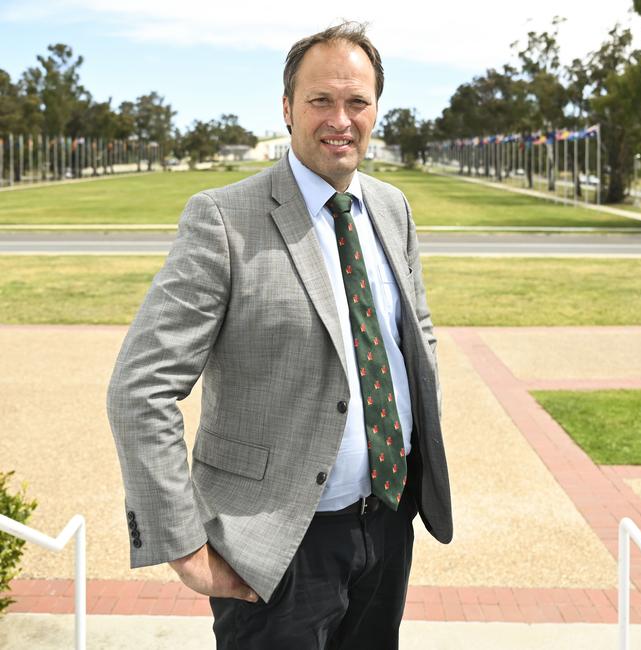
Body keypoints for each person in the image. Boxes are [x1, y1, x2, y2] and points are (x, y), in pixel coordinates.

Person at [107, 20, 452, 650]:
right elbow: (140, 387)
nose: (339, 119)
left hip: (387, 523)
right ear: (287, 107)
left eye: (357, 102)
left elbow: (414, 336)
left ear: (376, 109)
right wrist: (181, 541)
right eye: (320, 100)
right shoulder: (223, 219)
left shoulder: (391, 207)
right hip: (276, 543)